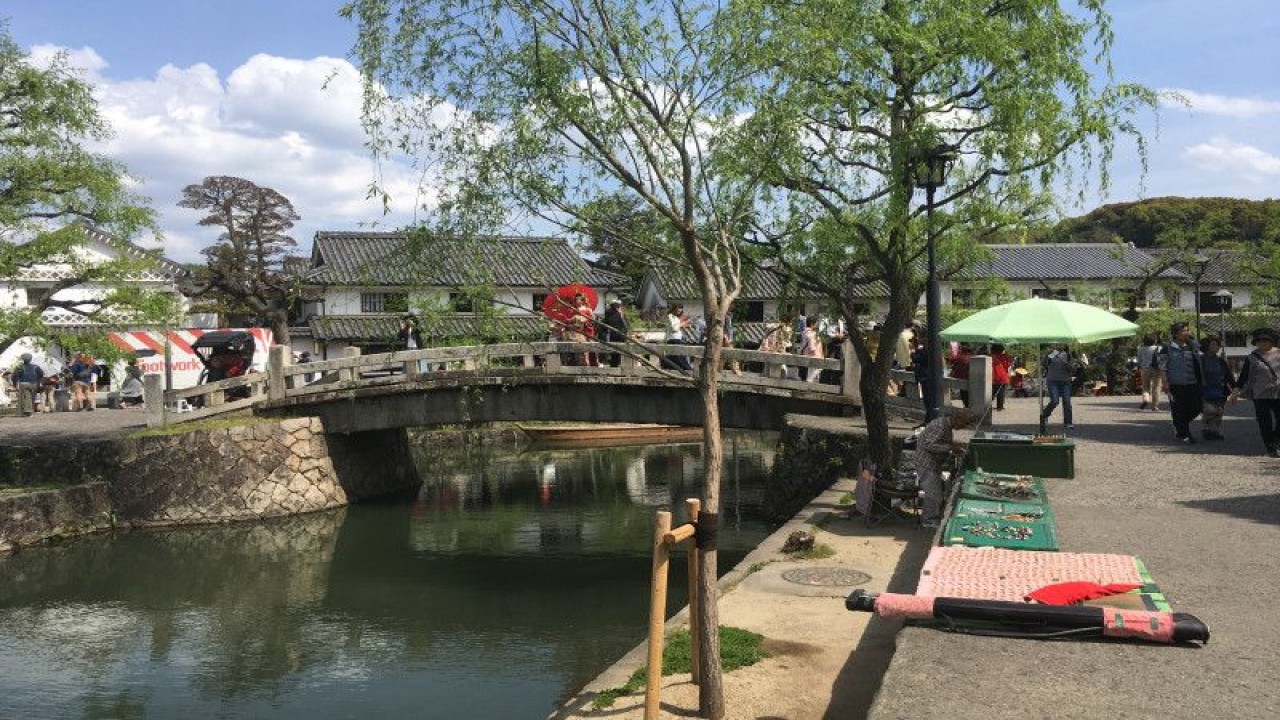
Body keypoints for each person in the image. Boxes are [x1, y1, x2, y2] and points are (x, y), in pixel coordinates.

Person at [915, 407, 979, 529]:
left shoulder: (946, 425)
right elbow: (930, 445)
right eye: (964, 423)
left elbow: (940, 441)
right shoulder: (939, 425)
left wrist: (955, 444)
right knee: (934, 494)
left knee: (937, 493)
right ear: (958, 419)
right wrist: (950, 448)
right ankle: (928, 521)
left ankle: (932, 517)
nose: (963, 427)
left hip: (933, 464)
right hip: (926, 464)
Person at [1230, 328, 1280, 457]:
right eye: (1259, 340)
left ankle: (1276, 441)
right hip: (1260, 394)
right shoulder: (1252, 357)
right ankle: (1271, 448)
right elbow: (1243, 377)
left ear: (1271, 341)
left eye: (1265, 340)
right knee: (1264, 422)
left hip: (1278, 393)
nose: (1262, 343)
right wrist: (1235, 392)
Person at [1159, 322, 1204, 444]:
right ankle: (1185, 434)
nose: (1186, 333)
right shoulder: (1167, 347)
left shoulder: (1193, 345)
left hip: (1193, 382)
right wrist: (1165, 382)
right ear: (1176, 333)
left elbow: (1201, 359)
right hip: (1176, 384)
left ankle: (1179, 424)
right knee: (1179, 409)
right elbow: (1162, 367)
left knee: (1197, 407)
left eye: (1187, 330)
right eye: (1183, 331)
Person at [1198, 337, 1233, 441]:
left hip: (1220, 389)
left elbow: (1228, 375)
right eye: (1213, 344)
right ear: (1206, 345)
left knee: (1219, 411)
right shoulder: (1201, 360)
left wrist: (1234, 386)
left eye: (1217, 344)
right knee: (1209, 410)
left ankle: (1215, 431)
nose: (1217, 346)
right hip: (1206, 389)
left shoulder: (1220, 360)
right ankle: (1206, 430)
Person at [1040, 344, 1077, 429]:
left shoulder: (1068, 355)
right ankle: (1044, 415)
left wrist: (1066, 364)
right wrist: (1048, 356)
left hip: (1065, 381)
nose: (1059, 345)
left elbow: (1073, 369)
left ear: (1065, 345)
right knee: (1054, 401)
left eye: (1061, 343)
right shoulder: (1050, 353)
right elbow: (1044, 364)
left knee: (1067, 402)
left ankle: (1068, 422)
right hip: (1052, 380)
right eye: (1057, 344)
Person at [1136, 334, 1163, 411]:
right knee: (1156, 387)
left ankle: (1146, 399)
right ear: (1155, 340)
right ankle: (1155, 406)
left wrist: (1140, 366)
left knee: (1145, 387)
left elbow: (1139, 359)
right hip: (1156, 369)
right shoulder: (1159, 348)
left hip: (1144, 369)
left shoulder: (1140, 348)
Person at [664, 304, 692, 372]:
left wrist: (686, 325)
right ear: (673, 309)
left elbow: (678, 327)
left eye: (680, 311)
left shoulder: (676, 318)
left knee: (678, 355)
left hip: (678, 338)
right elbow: (674, 328)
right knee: (679, 356)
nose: (678, 312)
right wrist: (684, 323)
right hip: (672, 339)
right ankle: (686, 368)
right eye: (677, 311)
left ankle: (680, 369)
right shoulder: (669, 317)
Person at [601, 299, 628, 367]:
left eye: (618, 305)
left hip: (619, 333)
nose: (618, 306)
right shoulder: (610, 312)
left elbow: (624, 323)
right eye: (616, 304)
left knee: (618, 350)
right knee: (615, 350)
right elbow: (607, 322)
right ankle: (614, 364)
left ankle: (615, 364)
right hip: (615, 333)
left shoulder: (620, 312)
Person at [799, 317, 824, 382]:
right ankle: (808, 381)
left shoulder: (804, 331)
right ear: (812, 323)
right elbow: (811, 346)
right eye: (816, 323)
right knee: (819, 367)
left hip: (806, 353)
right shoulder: (812, 333)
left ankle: (808, 383)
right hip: (814, 354)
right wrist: (815, 352)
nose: (817, 325)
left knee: (811, 370)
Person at [989, 343, 1013, 411]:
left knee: (991, 392)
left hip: (992, 376)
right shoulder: (1005, 357)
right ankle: (1000, 407)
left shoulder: (990, 357)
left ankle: (987, 405)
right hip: (1002, 377)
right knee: (1000, 392)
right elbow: (1008, 365)